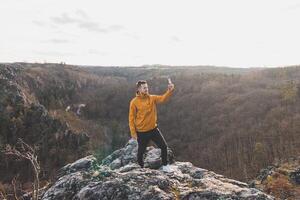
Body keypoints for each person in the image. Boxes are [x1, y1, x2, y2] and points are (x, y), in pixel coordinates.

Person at [128, 79, 175, 172]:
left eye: (147, 87)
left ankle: (165, 165)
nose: (146, 89)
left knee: (164, 146)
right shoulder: (134, 102)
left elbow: (162, 98)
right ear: (139, 89)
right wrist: (133, 133)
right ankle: (141, 168)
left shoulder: (152, 98)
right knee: (141, 152)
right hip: (141, 132)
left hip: (153, 129)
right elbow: (131, 118)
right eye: (144, 88)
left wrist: (169, 91)